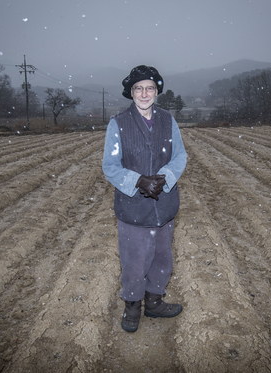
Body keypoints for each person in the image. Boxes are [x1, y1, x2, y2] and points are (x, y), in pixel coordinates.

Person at [102, 65, 187, 333]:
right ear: (131, 92)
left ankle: (154, 301)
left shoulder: (167, 120)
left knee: (162, 257)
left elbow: (180, 156)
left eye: (149, 87)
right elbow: (110, 166)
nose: (144, 93)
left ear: (157, 91)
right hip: (133, 207)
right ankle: (132, 306)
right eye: (138, 88)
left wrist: (164, 177)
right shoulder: (118, 123)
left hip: (164, 204)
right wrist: (138, 181)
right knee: (134, 260)